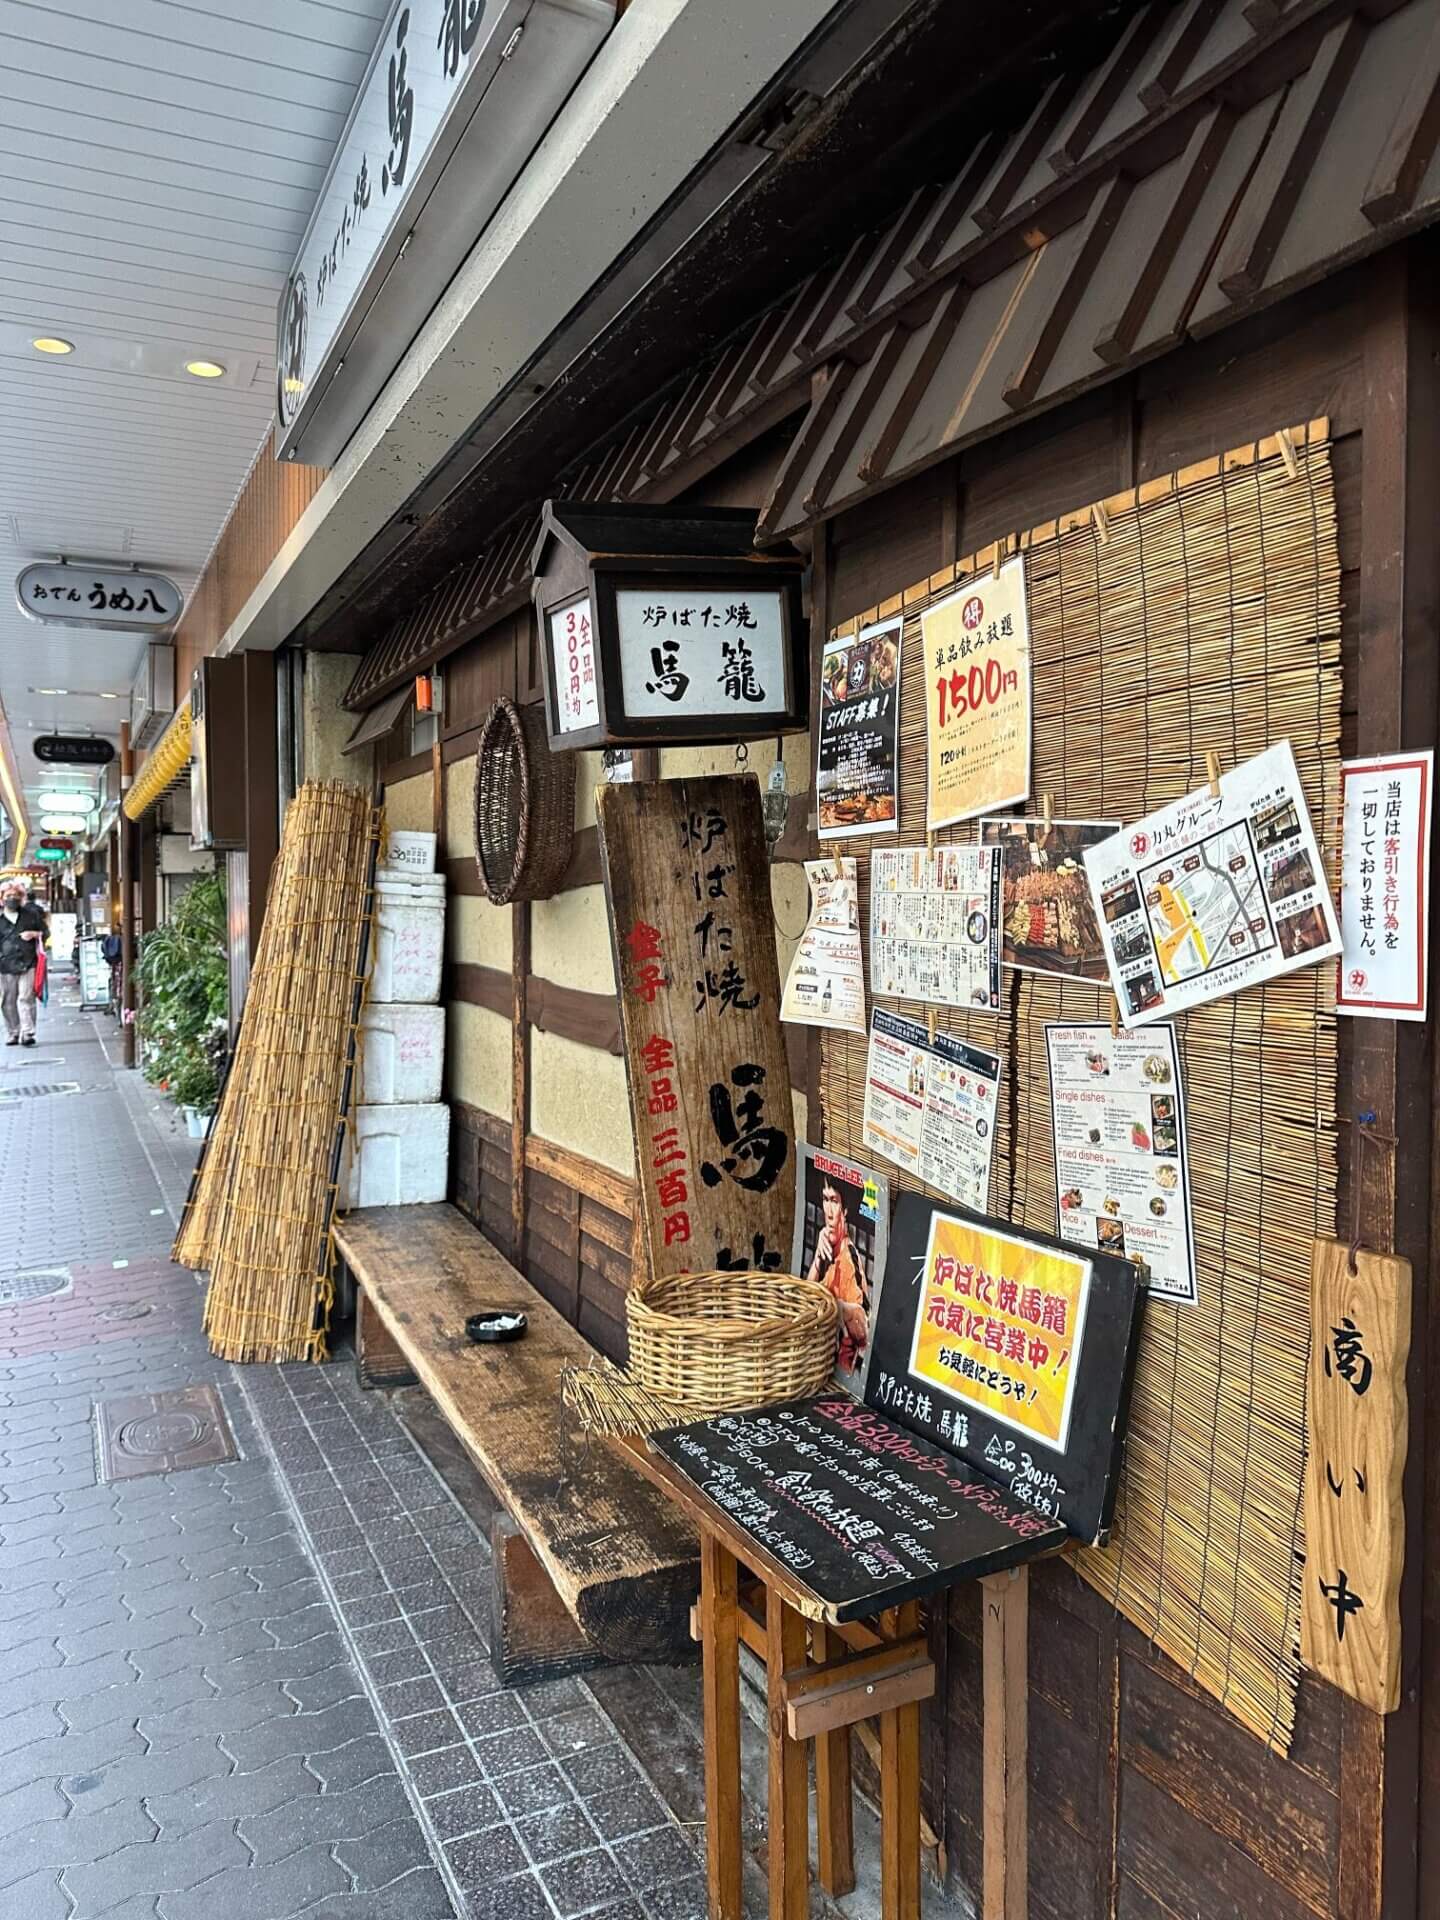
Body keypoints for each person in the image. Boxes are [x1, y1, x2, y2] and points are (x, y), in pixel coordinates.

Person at [805, 1176, 869, 1372]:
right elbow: (804, 1301)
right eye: (825, 1200)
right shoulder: (831, 1258)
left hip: (843, 1371)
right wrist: (817, 1258)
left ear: (845, 1210)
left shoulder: (848, 1258)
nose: (828, 1212)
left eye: (834, 1201)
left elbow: (863, 1320)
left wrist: (840, 1308)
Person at [0, 879, 47, 1047]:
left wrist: (34, 934)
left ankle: (28, 1032)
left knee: (26, 997)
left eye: (15, 895)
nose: (12, 898)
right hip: (5, 965)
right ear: (2, 898)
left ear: (21, 897)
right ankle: (13, 1032)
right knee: (8, 1000)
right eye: (8, 895)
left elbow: (45, 932)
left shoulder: (30, 915)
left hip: (28, 963)